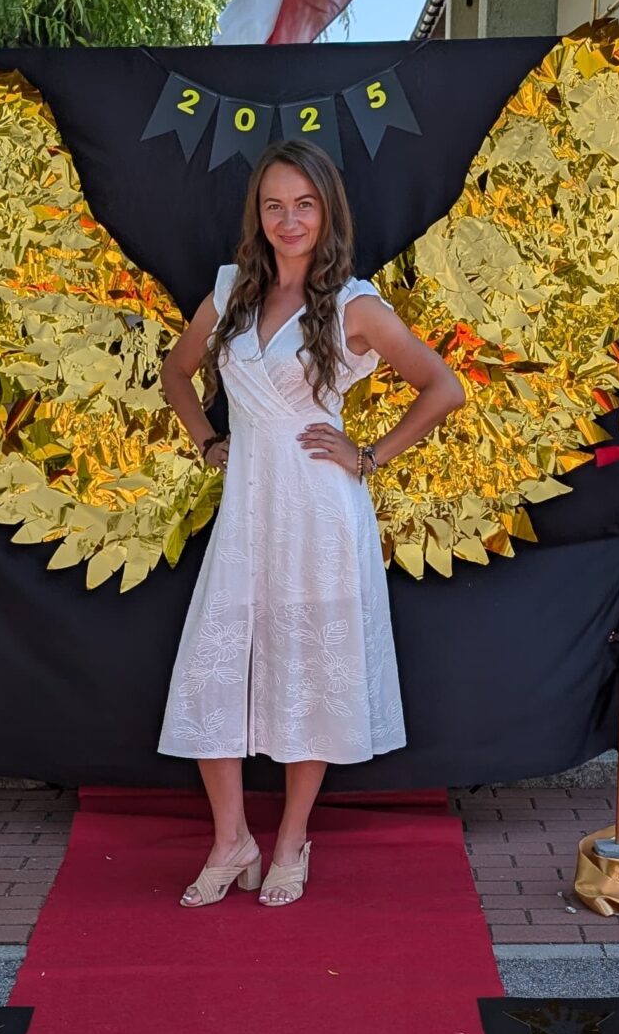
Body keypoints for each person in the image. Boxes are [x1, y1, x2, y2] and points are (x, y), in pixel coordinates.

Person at [157, 141, 463, 907]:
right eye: (274, 205)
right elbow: (176, 371)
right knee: (211, 672)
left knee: (310, 676)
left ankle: (292, 840)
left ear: (327, 212)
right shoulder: (230, 291)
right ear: (257, 216)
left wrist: (369, 455)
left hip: (321, 515)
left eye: (304, 204)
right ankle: (232, 841)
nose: (288, 220)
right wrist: (208, 439)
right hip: (248, 510)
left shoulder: (357, 307)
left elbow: (442, 387)